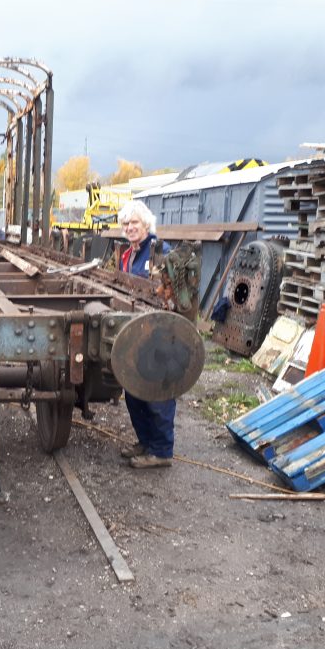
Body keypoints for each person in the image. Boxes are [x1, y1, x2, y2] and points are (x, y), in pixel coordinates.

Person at [116, 200, 177, 469]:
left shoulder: (160, 253)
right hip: (136, 332)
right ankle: (145, 441)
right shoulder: (128, 254)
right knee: (133, 391)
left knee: (156, 391)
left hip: (158, 334)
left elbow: (171, 293)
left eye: (135, 223)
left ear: (146, 225)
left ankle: (162, 450)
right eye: (126, 224)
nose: (130, 228)